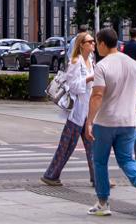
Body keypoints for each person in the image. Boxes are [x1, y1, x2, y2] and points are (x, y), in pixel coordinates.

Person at [84, 27, 136, 217]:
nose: (96, 47)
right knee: (126, 159)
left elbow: (97, 95)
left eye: (97, 43)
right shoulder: (133, 64)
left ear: (103, 44)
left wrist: (89, 122)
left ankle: (103, 203)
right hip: (128, 122)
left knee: (100, 162)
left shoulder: (102, 66)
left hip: (105, 122)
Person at [41, 31, 96, 188]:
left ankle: (98, 177)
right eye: (90, 41)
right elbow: (73, 86)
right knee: (67, 146)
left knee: (93, 146)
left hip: (88, 110)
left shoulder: (91, 60)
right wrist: (89, 78)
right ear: (82, 45)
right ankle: (50, 175)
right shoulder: (75, 62)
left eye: (93, 41)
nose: (93, 43)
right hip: (76, 111)